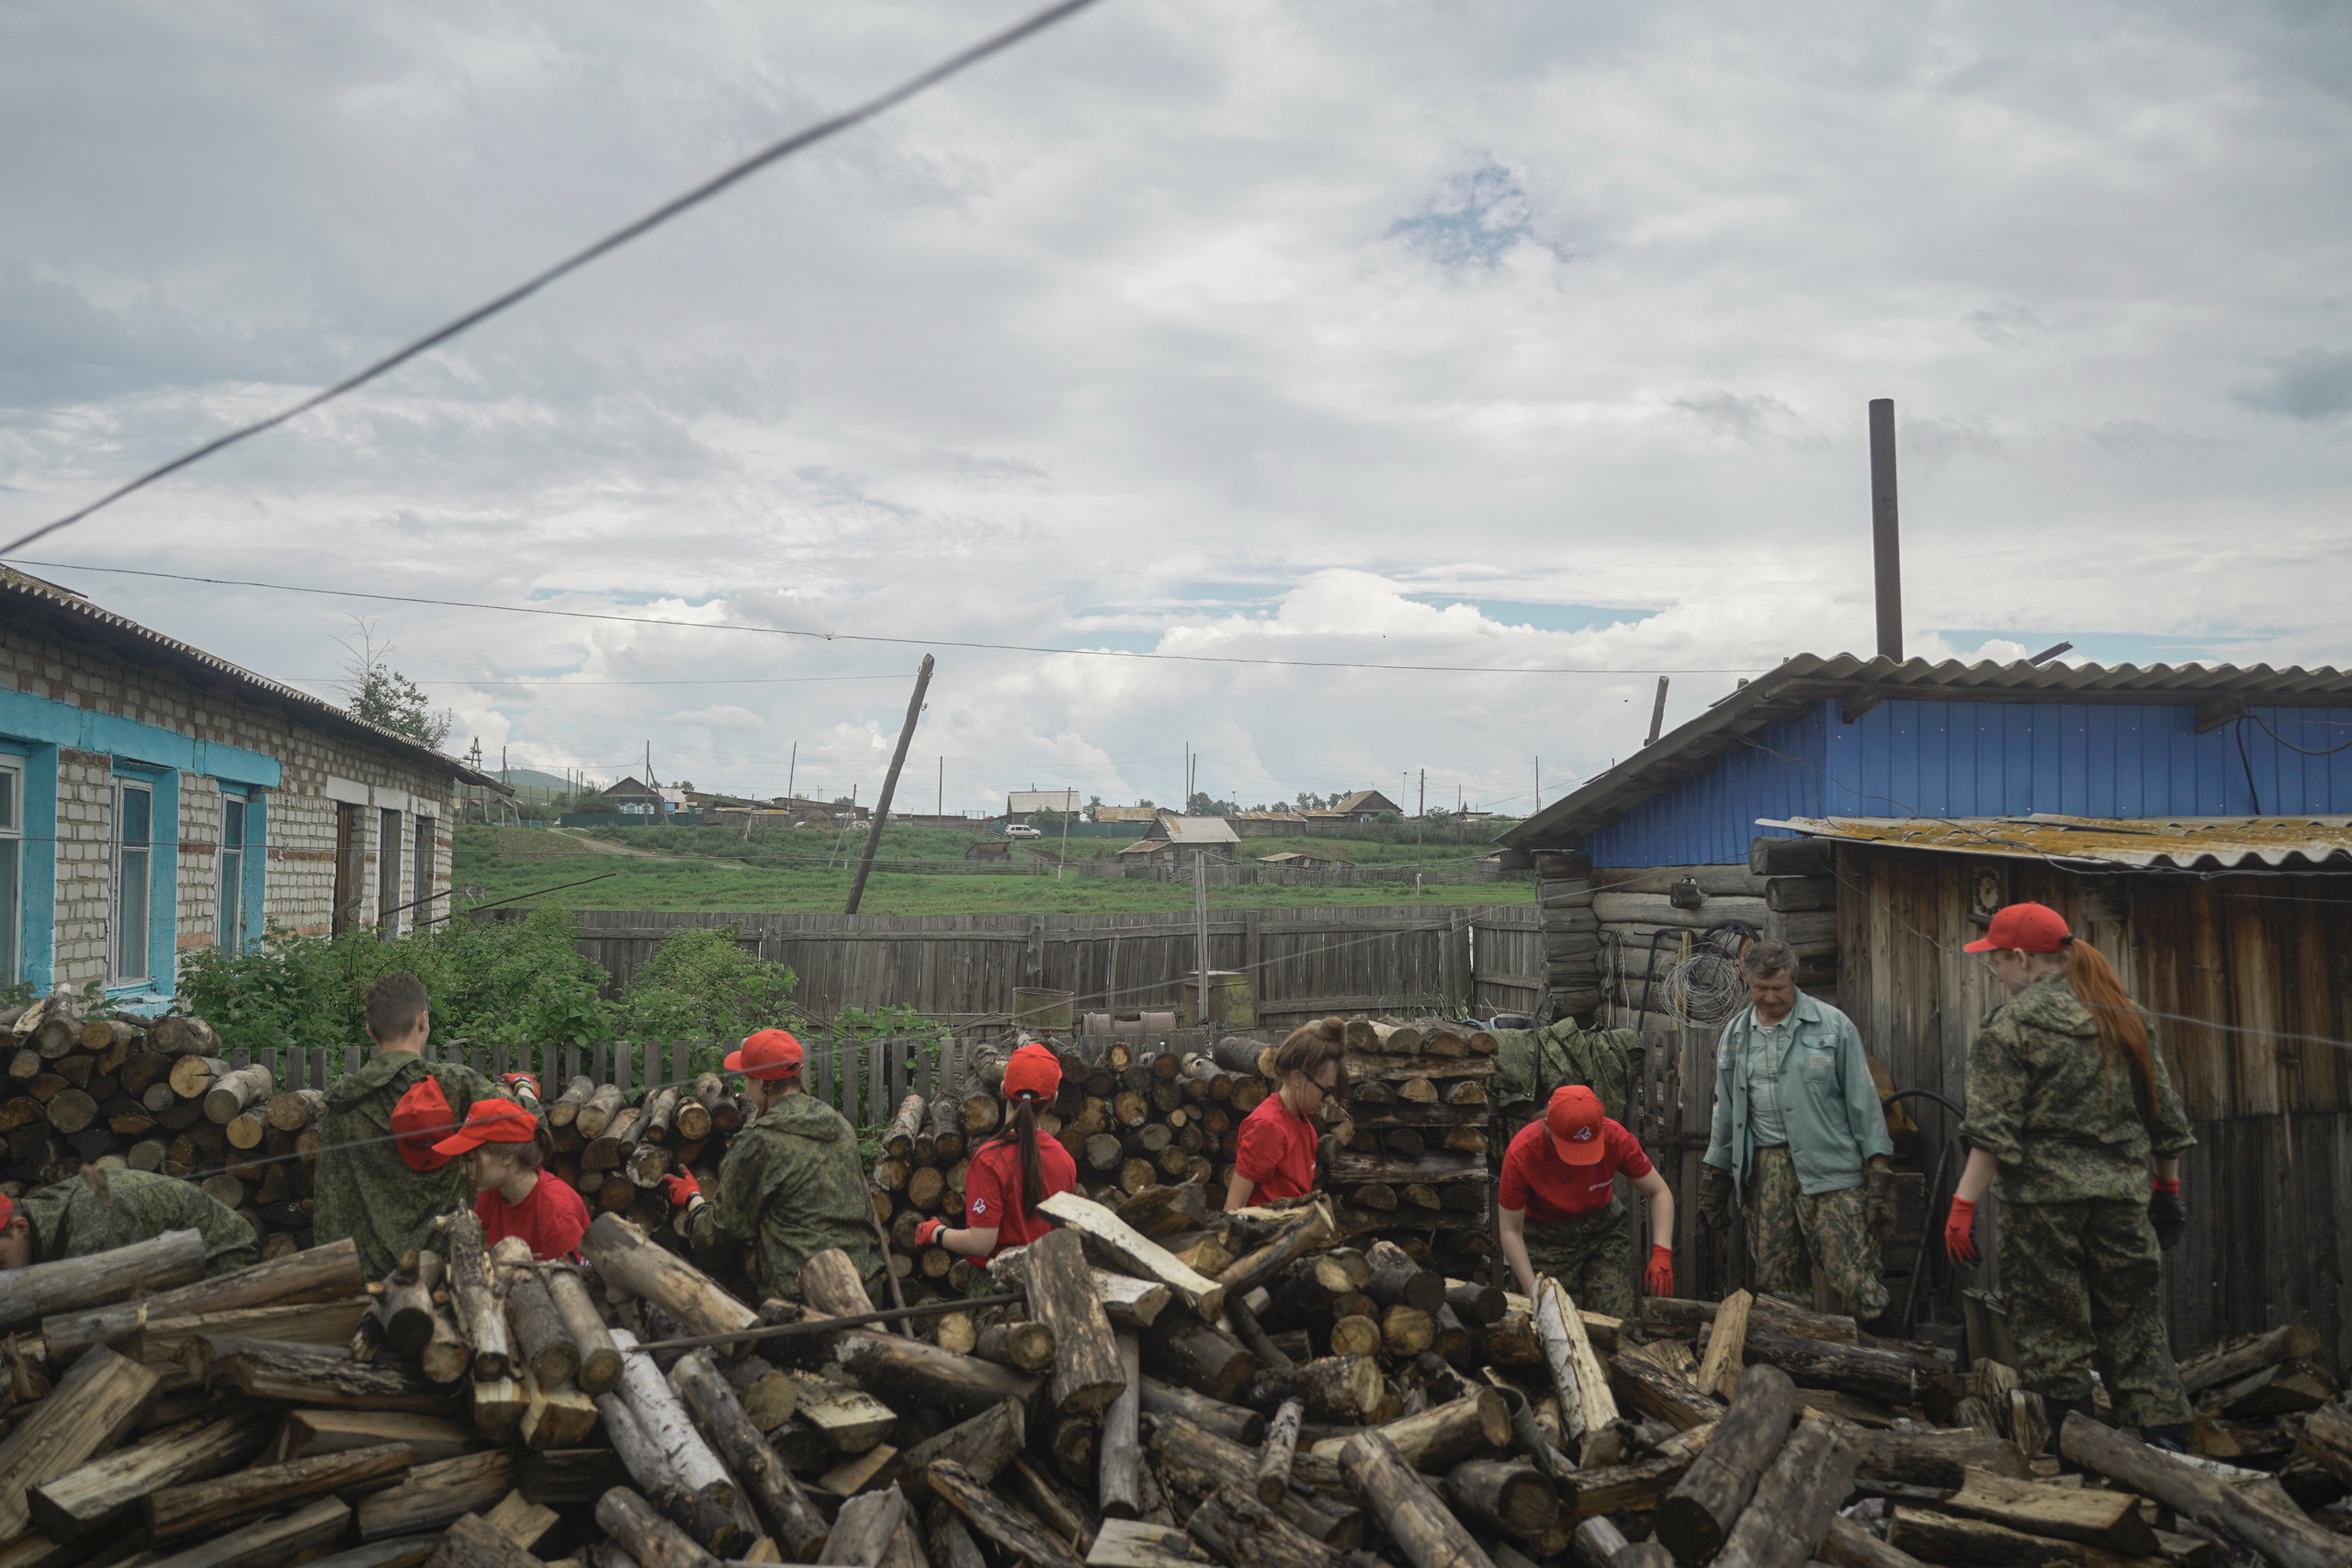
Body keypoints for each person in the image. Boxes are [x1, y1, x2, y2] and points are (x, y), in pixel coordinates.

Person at [1946, 902, 2196, 1447]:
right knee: (2137, 1328)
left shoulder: (2011, 1025)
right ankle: (2171, 1456)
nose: (1993, 971)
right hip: (2124, 1204)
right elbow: (2168, 1119)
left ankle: (2078, 1460)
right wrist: (2166, 1191)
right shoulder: (2126, 1013)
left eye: (1995, 961)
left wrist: (1963, 1208)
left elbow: (1992, 1132)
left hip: (2043, 1213)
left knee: (2053, 1334)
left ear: (2020, 958)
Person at [1698, 939, 1898, 1325]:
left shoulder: (1833, 1025)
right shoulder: (1736, 1036)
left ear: (1794, 979)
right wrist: (1718, 1176)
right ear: (1747, 981)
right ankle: (1795, 1368)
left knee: (1850, 1271)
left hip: (1832, 1166)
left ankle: (1894, 1361)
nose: (1770, 997)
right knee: (1776, 1278)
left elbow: (1863, 1101)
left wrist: (1879, 1169)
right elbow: (1725, 1112)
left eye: (1779, 988)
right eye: (1760, 988)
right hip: (1766, 1170)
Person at [314, 973, 518, 1280]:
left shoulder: (342, 1102)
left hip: (367, 1283)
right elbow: (527, 1126)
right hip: (452, 1274)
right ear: (423, 1021)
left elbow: (329, 1209)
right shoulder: (456, 1084)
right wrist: (524, 1088)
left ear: (371, 1031)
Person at [669, 1028, 884, 1303]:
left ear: (763, 1084)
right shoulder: (839, 1125)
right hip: (866, 1288)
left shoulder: (759, 1141)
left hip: (805, 1302)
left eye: (747, 1078)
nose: (746, 1087)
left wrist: (694, 1201)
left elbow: (718, 1238)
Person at [1498, 1085, 1676, 1318]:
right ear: (1548, 1128)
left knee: (1615, 1320)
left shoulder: (1616, 1137)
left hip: (1602, 1230)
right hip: (1546, 1238)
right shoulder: (1523, 1153)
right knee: (1559, 1323)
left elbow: (1659, 1191)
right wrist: (1533, 1291)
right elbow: (1511, 1229)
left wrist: (1662, 1252)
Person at [919, 1043, 1077, 1263]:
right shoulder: (1065, 1159)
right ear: (1053, 1100)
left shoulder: (988, 1159)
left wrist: (936, 1232)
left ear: (1003, 1090)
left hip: (999, 1286)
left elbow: (981, 1243)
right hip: (1047, 1281)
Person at [0, 1167, 257, 1277]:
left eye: (1, 1262)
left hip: (226, 1264)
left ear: (20, 1227)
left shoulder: (89, 1230)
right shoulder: (49, 1215)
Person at [435, 1098, 590, 1260]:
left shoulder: (556, 1211)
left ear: (506, 1156)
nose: (464, 1170)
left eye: (471, 1160)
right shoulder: (494, 1193)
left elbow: (578, 1281)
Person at [1224, 1018, 1345, 1210]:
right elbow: (1233, 1208)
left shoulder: (1306, 1127)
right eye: (1326, 1091)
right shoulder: (1268, 1127)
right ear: (1298, 1077)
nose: (1329, 1100)